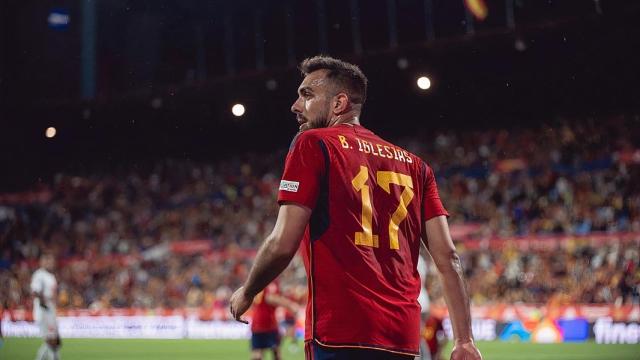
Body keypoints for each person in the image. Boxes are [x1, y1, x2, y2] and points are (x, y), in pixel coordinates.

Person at [230, 55, 482, 360]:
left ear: (339, 104)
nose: (295, 106)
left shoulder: (313, 144)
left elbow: (283, 243)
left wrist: (247, 291)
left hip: (340, 333)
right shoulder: (417, 166)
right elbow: (448, 258)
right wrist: (464, 340)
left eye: (307, 95)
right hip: (401, 338)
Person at [250, 281, 299, 360]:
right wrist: (290, 305)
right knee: (276, 352)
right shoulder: (271, 281)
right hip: (267, 322)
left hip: (257, 322)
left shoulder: (260, 280)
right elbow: (270, 298)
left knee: (257, 353)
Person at [31, 252, 61, 360]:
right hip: (43, 311)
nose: (50, 263)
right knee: (51, 340)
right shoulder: (39, 275)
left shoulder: (51, 276)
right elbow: (35, 291)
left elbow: (53, 293)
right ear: (42, 262)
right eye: (47, 260)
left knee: (56, 341)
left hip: (51, 310)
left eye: (51, 260)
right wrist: (44, 303)